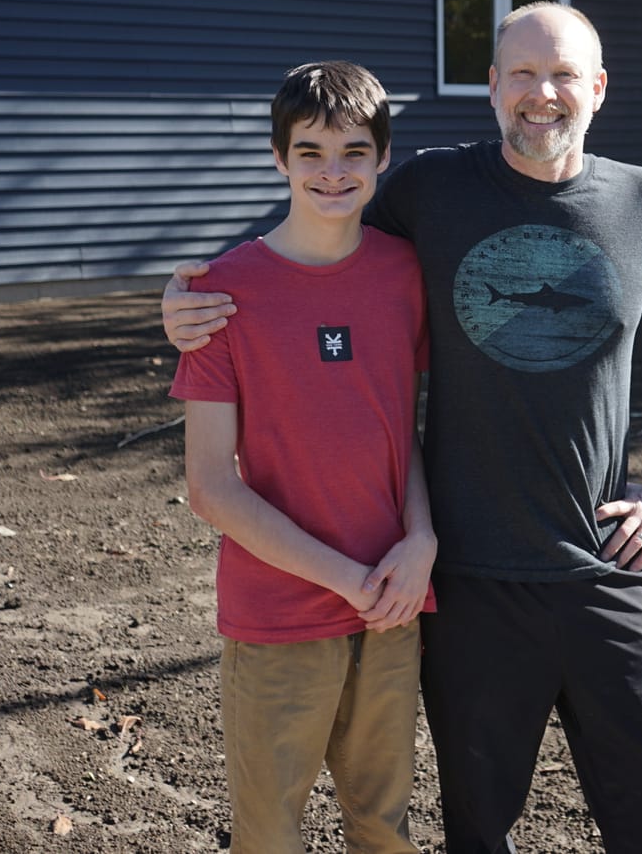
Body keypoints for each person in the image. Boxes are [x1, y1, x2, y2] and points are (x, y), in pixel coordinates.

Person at [163, 2, 642, 854]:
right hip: (466, 584)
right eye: (523, 73)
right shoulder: (430, 189)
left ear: (598, 88)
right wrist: (190, 295)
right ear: (493, 86)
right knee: (474, 829)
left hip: (604, 567)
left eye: (563, 74)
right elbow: (315, 229)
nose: (542, 93)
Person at [171, 59, 435, 854]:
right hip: (280, 615)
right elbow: (210, 486)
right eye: (310, 151)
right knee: (269, 836)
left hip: (393, 602)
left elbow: (400, 427)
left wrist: (421, 539)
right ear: (278, 157)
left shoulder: (405, 273)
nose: (333, 171)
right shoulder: (220, 292)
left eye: (354, 151)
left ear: (383, 158)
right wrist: (345, 578)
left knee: (386, 829)